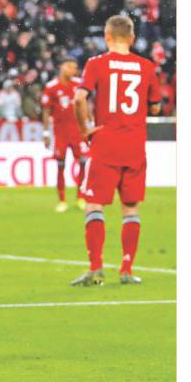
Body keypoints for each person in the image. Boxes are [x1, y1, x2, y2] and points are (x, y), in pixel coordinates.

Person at [71, 15, 162, 286]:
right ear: (132, 38)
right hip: (134, 147)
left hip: (105, 145)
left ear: (107, 37)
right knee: (131, 209)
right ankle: (127, 269)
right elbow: (156, 107)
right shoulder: (146, 66)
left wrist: (85, 129)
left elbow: (79, 98)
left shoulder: (97, 64)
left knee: (94, 205)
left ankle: (96, 268)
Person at [41, 57, 89, 213]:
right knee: (60, 165)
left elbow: (85, 105)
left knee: (83, 162)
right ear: (62, 67)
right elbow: (46, 110)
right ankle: (62, 200)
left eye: (75, 67)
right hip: (60, 132)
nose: (73, 70)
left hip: (78, 130)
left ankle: (81, 198)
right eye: (70, 66)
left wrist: (89, 124)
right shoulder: (51, 86)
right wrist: (46, 132)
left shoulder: (79, 84)